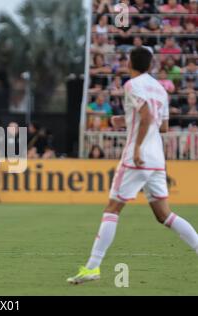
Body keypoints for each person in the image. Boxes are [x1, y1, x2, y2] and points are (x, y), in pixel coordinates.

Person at [68, 47, 198, 284]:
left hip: (137, 158)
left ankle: (92, 267)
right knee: (164, 215)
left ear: (130, 63)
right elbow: (163, 127)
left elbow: (147, 116)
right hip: (157, 158)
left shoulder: (131, 85)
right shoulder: (160, 89)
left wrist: (136, 148)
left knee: (112, 209)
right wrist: (126, 120)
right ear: (150, 65)